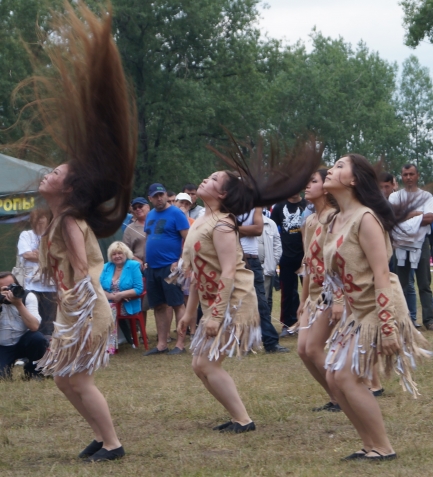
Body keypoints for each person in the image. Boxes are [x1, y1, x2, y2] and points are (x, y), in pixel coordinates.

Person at [20, 2, 137, 462]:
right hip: (78, 306)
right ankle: (102, 437)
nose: (48, 173)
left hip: (87, 308)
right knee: (66, 378)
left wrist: (81, 307)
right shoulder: (58, 219)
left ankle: (113, 443)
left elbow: (88, 269)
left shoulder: (68, 221)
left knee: (78, 379)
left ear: (67, 189)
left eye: (56, 171)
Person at [177, 134, 321, 433]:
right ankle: (239, 418)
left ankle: (243, 420)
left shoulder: (223, 224)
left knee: (205, 365)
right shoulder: (201, 220)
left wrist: (215, 315)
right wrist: (190, 312)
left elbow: (229, 270)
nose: (206, 178)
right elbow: (196, 272)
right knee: (200, 365)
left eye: (214, 178)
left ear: (225, 194)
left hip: (234, 302)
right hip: (215, 300)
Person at [323, 154, 429, 461]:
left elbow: (382, 274)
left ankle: (383, 447)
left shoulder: (365, 218)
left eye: (340, 166)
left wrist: (386, 326)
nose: (332, 169)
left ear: (354, 180)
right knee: (333, 378)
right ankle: (368, 444)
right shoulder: (336, 218)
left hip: (377, 308)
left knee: (346, 377)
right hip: (357, 309)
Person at [296, 169, 342, 412]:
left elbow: (339, 263)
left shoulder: (334, 218)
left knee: (314, 349)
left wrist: (338, 299)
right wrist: (303, 300)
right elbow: (307, 263)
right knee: (303, 350)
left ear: (326, 188)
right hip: (313, 294)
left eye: (313, 181)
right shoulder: (309, 221)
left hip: (330, 293)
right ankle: (336, 398)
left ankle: (349, 394)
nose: (307, 185)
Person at [143, 183, 190, 355]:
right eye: (155, 196)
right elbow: (148, 237)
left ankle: (180, 344)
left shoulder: (176, 213)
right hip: (153, 267)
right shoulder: (150, 215)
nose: (159, 198)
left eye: (161, 194)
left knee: (177, 303)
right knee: (159, 305)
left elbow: (188, 239)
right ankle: (162, 344)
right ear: (150, 198)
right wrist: (145, 259)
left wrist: (180, 261)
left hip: (171, 266)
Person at [389, 164, 433, 330]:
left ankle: (429, 320)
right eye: (405, 174)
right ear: (401, 176)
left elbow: (429, 218)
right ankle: (402, 319)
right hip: (399, 243)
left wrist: (404, 217)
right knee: (401, 284)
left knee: (424, 283)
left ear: (417, 176)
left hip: (421, 243)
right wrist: (416, 215)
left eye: (411, 174)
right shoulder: (395, 197)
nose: (408, 177)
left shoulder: (426, 197)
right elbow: (392, 217)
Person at [238, 207, 288, 353]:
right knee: (234, 302)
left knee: (261, 302)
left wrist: (233, 228)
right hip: (231, 258)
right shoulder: (227, 204)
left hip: (252, 260)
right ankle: (242, 341)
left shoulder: (255, 206)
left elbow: (257, 229)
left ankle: (270, 341)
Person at [271, 193, 307, 334]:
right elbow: (272, 229)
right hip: (286, 257)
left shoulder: (307, 205)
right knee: (287, 293)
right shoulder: (279, 207)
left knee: (309, 292)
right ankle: (288, 324)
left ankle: (307, 323)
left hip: (305, 257)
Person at [0, 272, 48, 379]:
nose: (9, 291)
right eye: (4, 289)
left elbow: (34, 326)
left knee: (38, 338)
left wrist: (19, 304)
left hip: (24, 341)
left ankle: (34, 371)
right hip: (2, 345)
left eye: (11, 286)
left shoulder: (28, 296)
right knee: (2, 377)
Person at [17, 208, 57, 337]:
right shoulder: (26, 235)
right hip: (30, 285)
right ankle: (34, 348)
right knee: (33, 317)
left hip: (51, 286)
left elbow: (57, 256)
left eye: (42, 218)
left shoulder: (53, 236)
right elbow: (26, 255)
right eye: (35, 218)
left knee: (50, 321)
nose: (39, 221)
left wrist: (40, 254)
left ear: (48, 220)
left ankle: (48, 349)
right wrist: (46, 255)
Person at [100, 242, 143, 351]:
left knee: (109, 309)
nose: (117, 256)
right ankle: (97, 342)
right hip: (108, 301)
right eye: (114, 254)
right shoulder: (106, 267)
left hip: (126, 304)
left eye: (120, 253)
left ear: (126, 254)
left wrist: (121, 295)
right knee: (94, 309)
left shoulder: (133, 266)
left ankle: (110, 346)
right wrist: (110, 296)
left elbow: (138, 289)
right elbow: (98, 288)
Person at [258, 213, 282, 312]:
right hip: (247, 268)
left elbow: (277, 245)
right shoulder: (243, 222)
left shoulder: (270, 223)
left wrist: (272, 262)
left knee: (264, 300)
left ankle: (264, 326)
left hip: (265, 268)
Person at [123, 197, 150, 270]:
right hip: (140, 269)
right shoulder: (129, 229)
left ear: (148, 207)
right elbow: (125, 251)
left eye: (140, 206)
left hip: (159, 265)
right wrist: (135, 259)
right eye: (135, 208)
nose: (137, 209)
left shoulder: (157, 223)